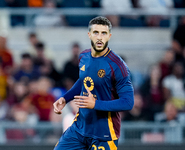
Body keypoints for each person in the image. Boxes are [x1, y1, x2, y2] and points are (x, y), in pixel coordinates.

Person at [53, 16, 134, 150]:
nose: (100, 37)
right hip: (79, 128)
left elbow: (128, 102)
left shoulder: (118, 66)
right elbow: (84, 81)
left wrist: (95, 104)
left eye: (104, 33)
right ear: (89, 35)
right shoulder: (83, 57)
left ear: (109, 36)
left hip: (104, 134)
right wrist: (65, 98)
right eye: (96, 32)